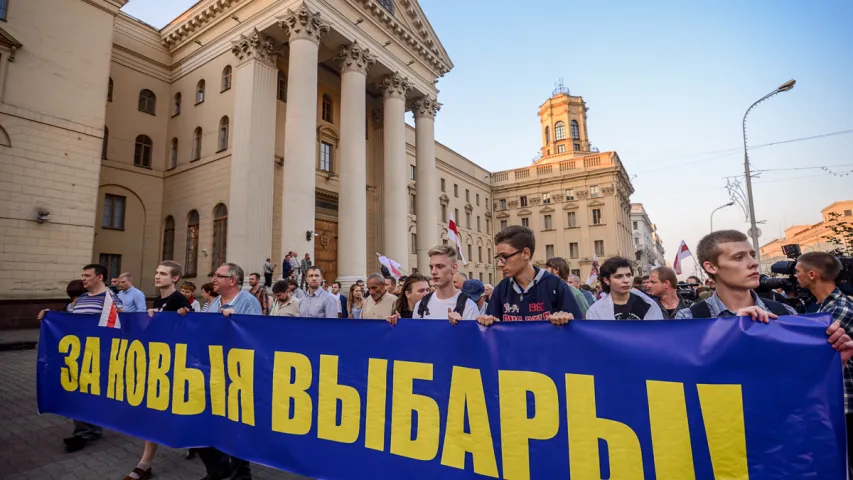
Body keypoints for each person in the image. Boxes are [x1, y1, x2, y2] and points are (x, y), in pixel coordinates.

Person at [38, 264, 123, 453]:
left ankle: (88, 431)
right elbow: (71, 322)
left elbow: (121, 325)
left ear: (99, 277)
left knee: (90, 394)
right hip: (79, 355)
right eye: (82, 275)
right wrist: (49, 316)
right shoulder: (83, 298)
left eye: (87, 275)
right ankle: (86, 431)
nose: (83, 278)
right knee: (78, 393)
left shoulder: (111, 299)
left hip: (98, 356)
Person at [126, 261, 192, 480]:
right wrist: (151, 318)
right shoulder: (157, 300)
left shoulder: (180, 301)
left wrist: (180, 318)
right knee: (153, 412)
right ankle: (144, 464)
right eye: (156, 272)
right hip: (157, 366)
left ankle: (196, 443)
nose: (156, 276)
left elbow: (187, 333)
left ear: (175, 278)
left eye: (162, 273)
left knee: (180, 412)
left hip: (175, 367)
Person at [192, 262, 258, 480]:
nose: (214, 279)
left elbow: (256, 334)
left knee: (237, 425)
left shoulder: (248, 302)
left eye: (218, 276)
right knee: (207, 421)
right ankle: (217, 468)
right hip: (214, 371)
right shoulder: (213, 303)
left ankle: (241, 474)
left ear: (232, 280)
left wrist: (236, 322)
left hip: (238, 374)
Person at [795, 251, 853, 469]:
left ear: (812, 275)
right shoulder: (819, 306)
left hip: (844, 401)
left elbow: (814, 353)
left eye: (797, 271)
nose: (794, 276)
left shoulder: (839, 310)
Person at [675, 231, 796, 321]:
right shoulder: (689, 318)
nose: (754, 263)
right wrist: (734, 330)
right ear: (711, 267)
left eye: (752, 255)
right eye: (739, 257)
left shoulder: (784, 312)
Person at [478, 226, 581, 326]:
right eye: (498, 258)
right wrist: (487, 322)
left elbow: (580, 329)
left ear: (526, 253)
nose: (500, 264)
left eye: (505, 257)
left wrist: (567, 320)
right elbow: (491, 335)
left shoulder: (556, 286)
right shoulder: (501, 289)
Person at [409, 245, 478, 323]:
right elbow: (416, 334)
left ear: (454, 268)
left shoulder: (469, 307)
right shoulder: (421, 305)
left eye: (440, 266)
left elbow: (472, 334)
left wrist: (461, 327)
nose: (433, 272)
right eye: (431, 267)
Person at [586, 257, 664, 320]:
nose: (626, 280)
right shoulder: (596, 311)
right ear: (606, 280)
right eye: (619, 276)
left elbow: (657, 333)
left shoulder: (648, 305)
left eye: (628, 275)